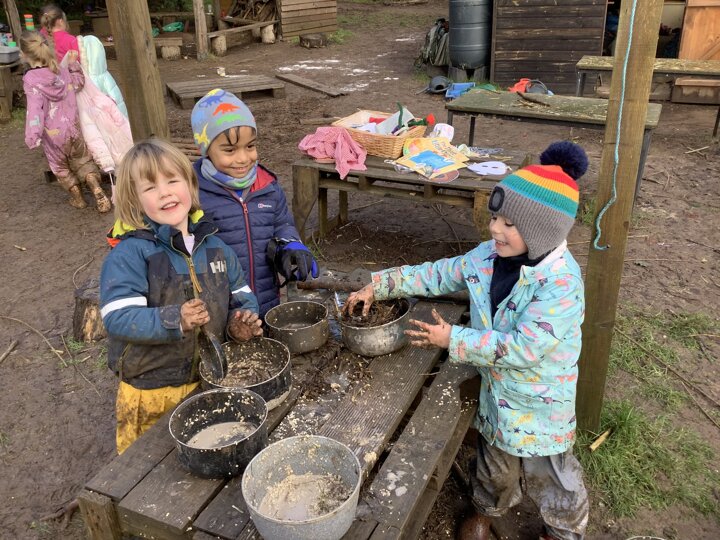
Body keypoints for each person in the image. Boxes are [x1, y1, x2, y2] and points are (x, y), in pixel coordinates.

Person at [345, 141, 591, 540]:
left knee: (554, 476)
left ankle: (562, 531)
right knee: (494, 465)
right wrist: (381, 284)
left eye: (509, 224)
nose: (494, 229)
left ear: (541, 232)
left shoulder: (560, 284)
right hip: (497, 395)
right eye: (495, 218)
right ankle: (487, 511)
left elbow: (524, 348)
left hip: (542, 403)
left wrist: (453, 338)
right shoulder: (489, 257)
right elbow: (439, 274)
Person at [100, 138, 263, 454]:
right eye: (150, 187)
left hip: (206, 381)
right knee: (146, 466)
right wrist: (175, 319)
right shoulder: (131, 254)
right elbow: (118, 317)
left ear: (190, 184)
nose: (165, 193)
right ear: (134, 200)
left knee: (202, 458)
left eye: (172, 181)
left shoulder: (216, 248)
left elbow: (242, 294)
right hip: (151, 389)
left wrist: (239, 321)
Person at [191, 89, 318, 317]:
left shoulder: (267, 186)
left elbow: (282, 225)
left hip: (266, 301)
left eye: (250, 146)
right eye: (230, 150)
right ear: (205, 149)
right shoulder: (191, 192)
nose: (242, 158)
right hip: (219, 311)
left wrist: (291, 246)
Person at [20, 30, 111, 213]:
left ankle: (78, 199)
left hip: (53, 135)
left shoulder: (31, 79)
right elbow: (78, 83)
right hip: (74, 128)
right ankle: (96, 188)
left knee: (60, 167)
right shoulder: (60, 70)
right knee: (84, 161)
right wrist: (73, 64)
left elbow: (35, 110)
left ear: (24, 54)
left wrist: (33, 136)